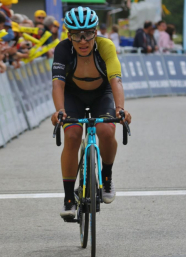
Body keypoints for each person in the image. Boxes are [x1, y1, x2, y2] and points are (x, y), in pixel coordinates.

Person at [51, 6, 131, 218]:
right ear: (69, 35)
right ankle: (69, 199)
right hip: (73, 96)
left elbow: (116, 80)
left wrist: (120, 109)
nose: (83, 41)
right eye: (77, 35)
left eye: (88, 34)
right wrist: (59, 111)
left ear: (96, 32)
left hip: (101, 94)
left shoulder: (106, 46)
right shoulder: (62, 49)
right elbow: (58, 85)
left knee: (106, 131)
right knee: (72, 135)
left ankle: (107, 177)